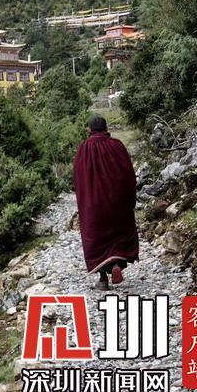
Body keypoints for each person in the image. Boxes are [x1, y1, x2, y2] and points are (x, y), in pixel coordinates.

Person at [73, 115, 139, 290]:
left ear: (89, 130)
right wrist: (130, 198)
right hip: (117, 201)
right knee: (117, 234)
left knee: (97, 238)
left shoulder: (84, 148)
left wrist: (84, 201)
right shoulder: (116, 145)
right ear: (106, 128)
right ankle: (116, 264)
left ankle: (103, 279)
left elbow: (78, 177)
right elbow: (128, 173)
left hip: (93, 203)